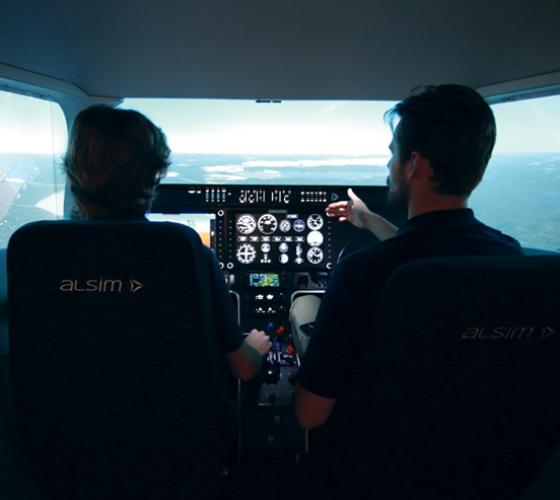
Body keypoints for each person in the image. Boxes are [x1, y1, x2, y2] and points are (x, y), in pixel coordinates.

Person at [294, 84, 522, 428]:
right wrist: (369, 220)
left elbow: (309, 415)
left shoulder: (361, 273)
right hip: (484, 464)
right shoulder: (509, 259)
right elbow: (431, 253)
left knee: (302, 310)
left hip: (377, 467)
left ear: (414, 164)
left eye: (393, 153)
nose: (389, 165)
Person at [64, 104, 271, 380]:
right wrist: (254, 345)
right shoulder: (185, 252)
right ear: (152, 177)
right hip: (175, 420)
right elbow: (243, 369)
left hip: (67, 418)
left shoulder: (40, 252)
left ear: (73, 173)